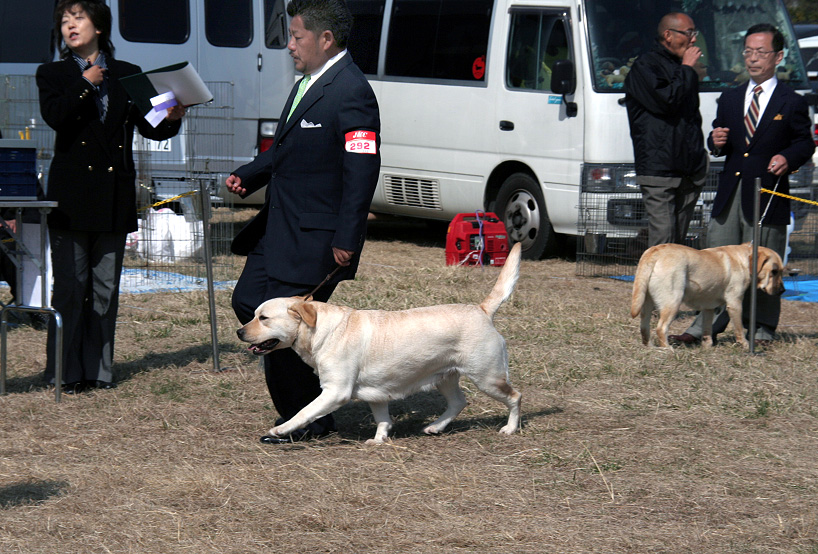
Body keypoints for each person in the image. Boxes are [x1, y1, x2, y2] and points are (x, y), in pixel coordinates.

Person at [227, 0, 380, 444]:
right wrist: (250, 173)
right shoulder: (309, 83)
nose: (290, 45)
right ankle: (314, 406)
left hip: (316, 237)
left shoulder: (351, 90)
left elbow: (362, 169)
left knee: (282, 323)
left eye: (297, 37)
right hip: (280, 228)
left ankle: (305, 417)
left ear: (325, 39)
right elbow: (288, 149)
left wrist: (348, 236)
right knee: (249, 301)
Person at [36, 0, 185, 393]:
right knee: (70, 286)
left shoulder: (127, 74)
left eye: (78, 18)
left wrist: (171, 119)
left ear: (99, 26)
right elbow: (56, 116)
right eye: (64, 21)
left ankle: (98, 371)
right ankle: (62, 372)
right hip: (70, 198)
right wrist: (86, 83)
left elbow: (149, 127)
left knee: (105, 288)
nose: (70, 25)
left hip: (114, 196)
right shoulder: (51, 73)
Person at [670, 23, 814, 346]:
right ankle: (703, 327)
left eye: (760, 52)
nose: (752, 59)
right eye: (748, 52)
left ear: (778, 56)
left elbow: (806, 143)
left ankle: (760, 327)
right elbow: (718, 138)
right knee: (715, 263)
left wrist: (788, 158)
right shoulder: (731, 98)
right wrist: (716, 140)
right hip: (729, 194)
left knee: (764, 263)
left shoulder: (792, 102)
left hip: (768, 194)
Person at [624, 12, 709, 248]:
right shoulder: (645, 66)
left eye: (695, 33)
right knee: (663, 242)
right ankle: (656, 285)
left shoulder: (684, 68)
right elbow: (667, 101)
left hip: (689, 169)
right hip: (659, 170)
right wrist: (688, 70)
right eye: (689, 33)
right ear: (668, 35)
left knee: (678, 245)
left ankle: (674, 286)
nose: (694, 40)